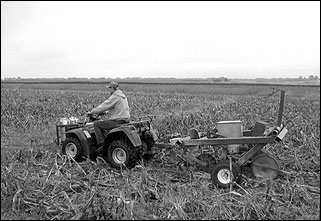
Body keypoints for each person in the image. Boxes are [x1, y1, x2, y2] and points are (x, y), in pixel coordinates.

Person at [87, 81, 130, 147]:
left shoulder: (115, 96)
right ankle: (107, 141)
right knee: (104, 123)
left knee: (97, 124)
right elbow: (117, 108)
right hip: (125, 119)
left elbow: (103, 106)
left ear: (112, 88)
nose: (109, 91)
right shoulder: (122, 96)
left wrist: (91, 112)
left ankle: (101, 145)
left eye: (109, 89)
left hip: (118, 120)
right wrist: (106, 112)